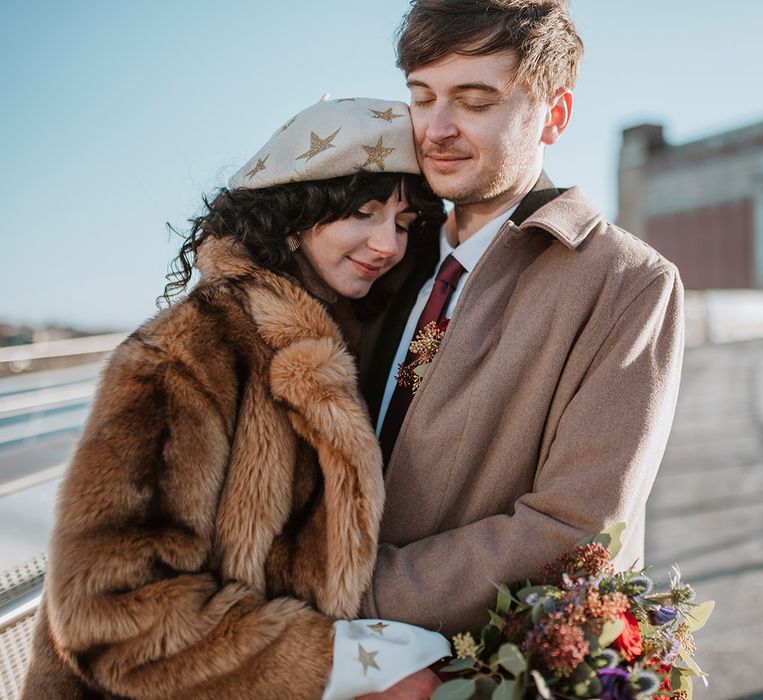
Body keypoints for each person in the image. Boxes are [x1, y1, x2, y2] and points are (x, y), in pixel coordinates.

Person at [21, 97, 450, 700]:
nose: (388, 245)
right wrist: (335, 661)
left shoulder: (336, 341)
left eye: (403, 225)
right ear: (295, 212)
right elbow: (109, 612)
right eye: (364, 213)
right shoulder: (188, 353)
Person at [353, 2, 685, 694]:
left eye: (476, 102)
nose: (437, 129)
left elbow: (577, 528)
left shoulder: (627, 282)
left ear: (555, 117)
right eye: (421, 97)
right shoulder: (377, 256)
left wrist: (348, 588)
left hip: (471, 675)